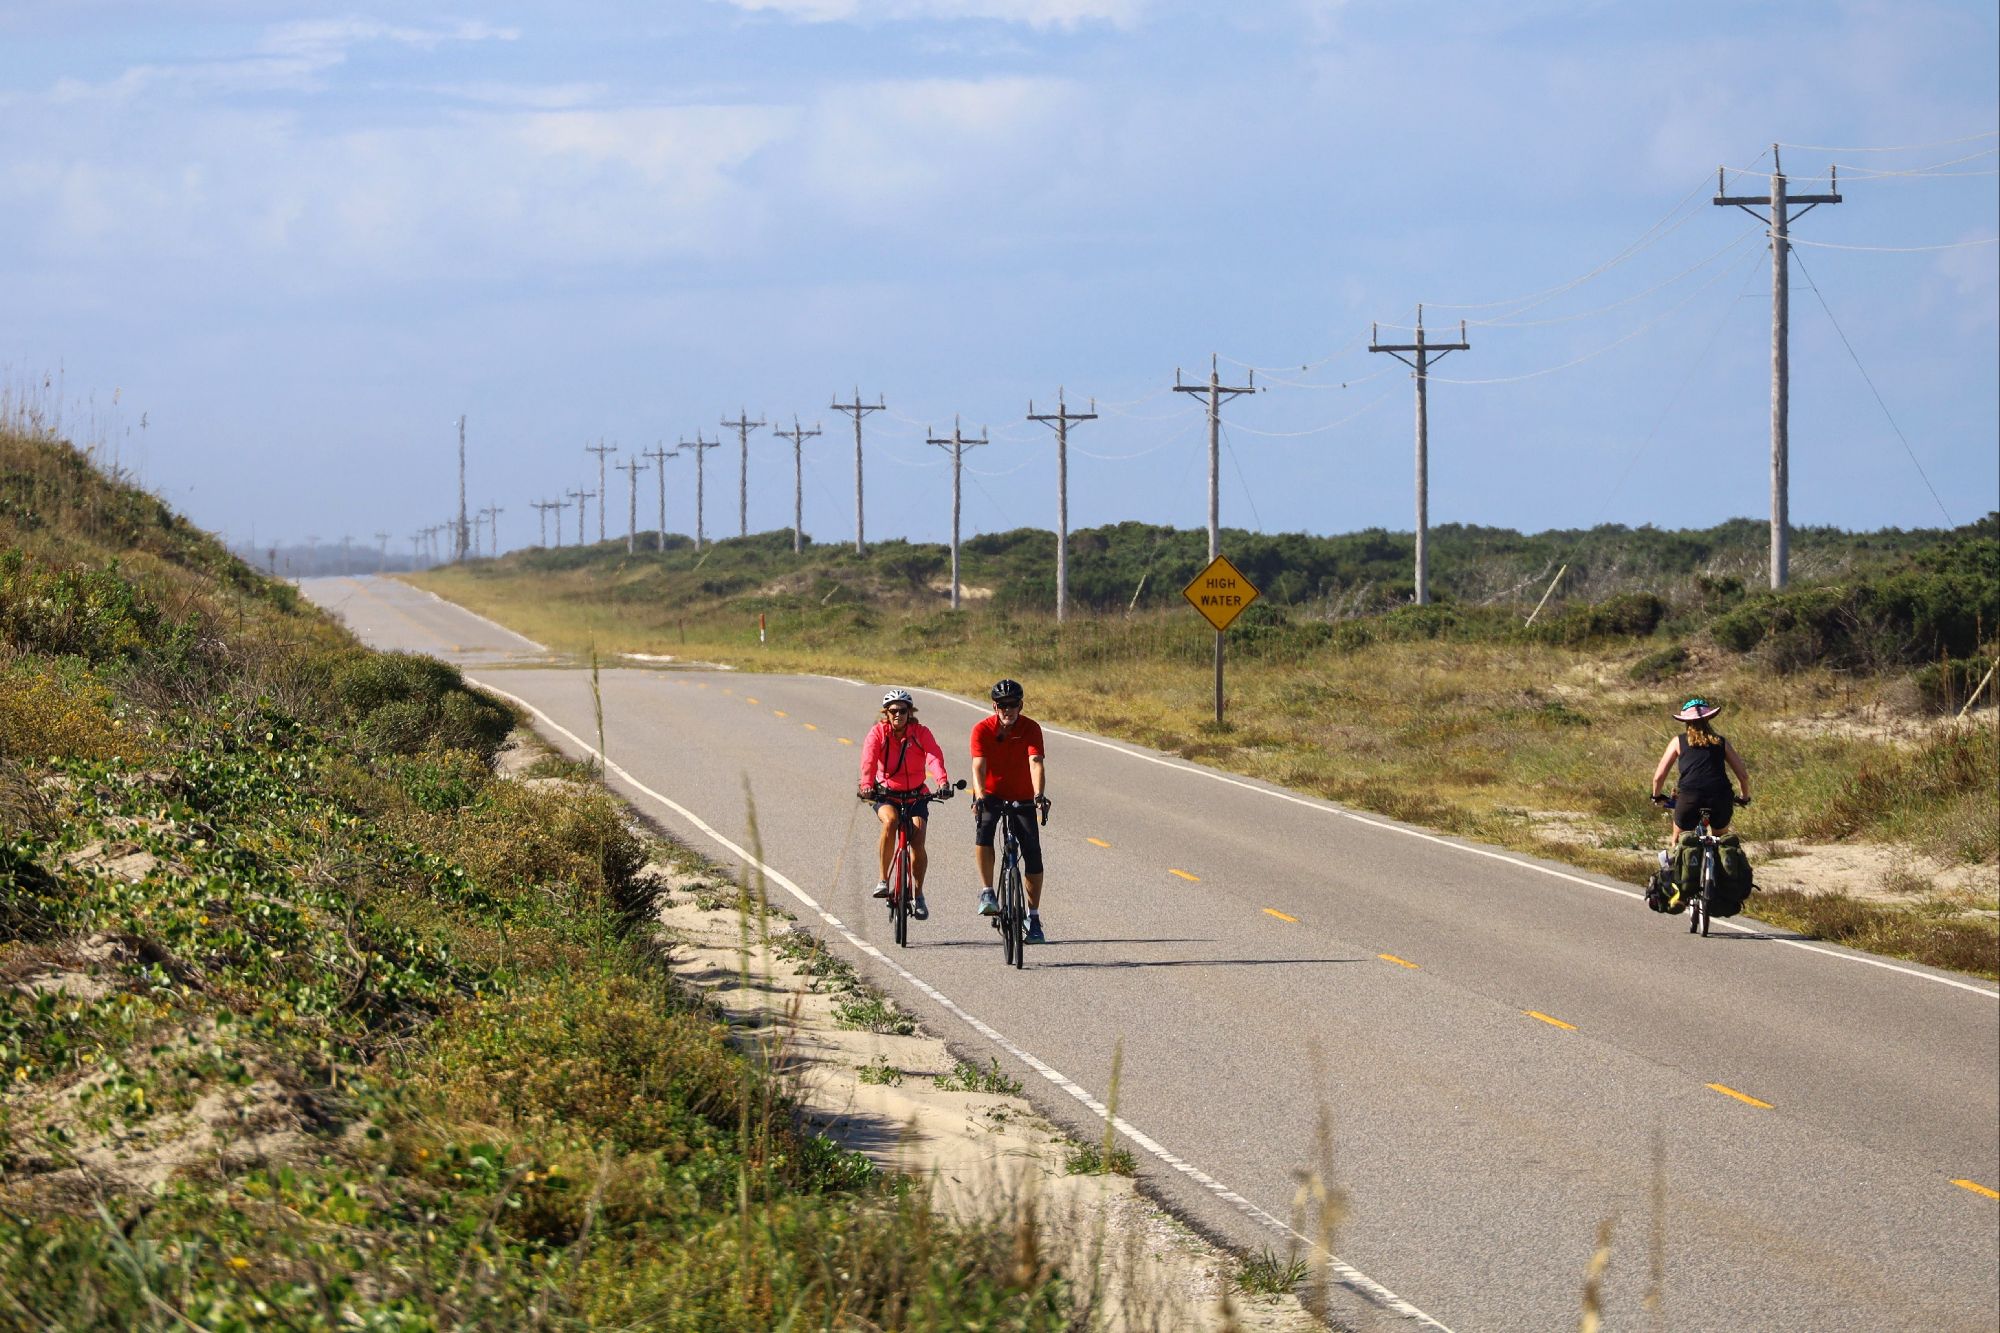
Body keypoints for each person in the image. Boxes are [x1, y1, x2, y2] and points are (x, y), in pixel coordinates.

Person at [858, 688, 951, 920]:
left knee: (917, 840)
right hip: (886, 794)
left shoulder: (920, 733)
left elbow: (933, 756)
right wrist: (866, 784)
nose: (898, 715)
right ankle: (882, 880)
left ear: (910, 713)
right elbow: (868, 759)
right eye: (893, 711)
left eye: (903, 710)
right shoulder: (878, 733)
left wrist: (942, 782)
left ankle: (918, 895)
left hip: (916, 795)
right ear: (886, 714)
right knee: (890, 821)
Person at [969, 678, 1050, 942]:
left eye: (1012, 705)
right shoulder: (982, 729)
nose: (1007, 710)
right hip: (991, 794)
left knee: (1033, 855)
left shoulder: (1030, 728)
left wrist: (1038, 794)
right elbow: (978, 766)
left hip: (1023, 797)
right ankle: (987, 891)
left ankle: (1033, 917)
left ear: (1020, 705)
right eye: (1002, 705)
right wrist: (979, 795)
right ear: (994, 706)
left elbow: (1035, 762)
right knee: (984, 831)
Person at [1650, 697, 1752, 856]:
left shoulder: (1678, 741)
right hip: (1720, 797)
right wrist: (1744, 797)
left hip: (1690, 797)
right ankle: (1720, 874)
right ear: (1708, 719)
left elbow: (1659, 776)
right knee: (1722, 841)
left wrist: (1656, 796)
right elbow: (1743, 776)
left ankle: (1678, 873)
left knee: (1679, 841)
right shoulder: (1721, 741)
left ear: (1686, 722)